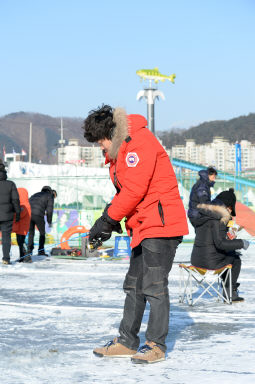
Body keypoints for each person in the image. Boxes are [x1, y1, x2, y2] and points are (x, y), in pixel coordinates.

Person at [82, 105, 188, 364]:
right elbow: (126, 192)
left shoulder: (138, 142)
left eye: (100, 142)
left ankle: (155, 345)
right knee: (134, 285)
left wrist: (109, 219)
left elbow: (134, 189)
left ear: (109, 133)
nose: (100, 148)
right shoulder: (122, 148)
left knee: (154, 286)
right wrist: (105, 220)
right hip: (142, 225)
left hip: (161, 225)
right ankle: (127, 341)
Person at [191, 188, 250, 302]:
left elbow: (211, 239)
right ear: (228, 206)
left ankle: (228, 288)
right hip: (210, 262)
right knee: (235, 259)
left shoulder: (204, 214)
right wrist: (241, 243)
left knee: (228, 255)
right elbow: (220, 244)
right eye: (231, 208)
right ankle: (230, 292)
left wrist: (229, 236)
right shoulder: (220, 217)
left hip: (196, 260)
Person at [0, 161, 21, 264]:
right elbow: (15, 200)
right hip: (7, 215)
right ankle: (6, 258)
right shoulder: (11, 184)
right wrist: (18, 213)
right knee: (6, 238)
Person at [27, 186, 57, 256]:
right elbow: (50, 210)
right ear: (50, 191)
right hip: (38, 215)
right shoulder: (50, 196)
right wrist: (49, 222)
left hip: (28, 214)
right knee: (42, 233)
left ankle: (29, 251)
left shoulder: (35, 194)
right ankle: (41, 251)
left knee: (31, 233)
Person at [12, 188, 32, 263]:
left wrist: (13, 214)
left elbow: (20, 214)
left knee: (21, 242)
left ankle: (26, 257)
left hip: (22, 228)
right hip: (22, 227)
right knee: (20, 242)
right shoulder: (25, 204)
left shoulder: (24, 205)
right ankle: (23, 257)